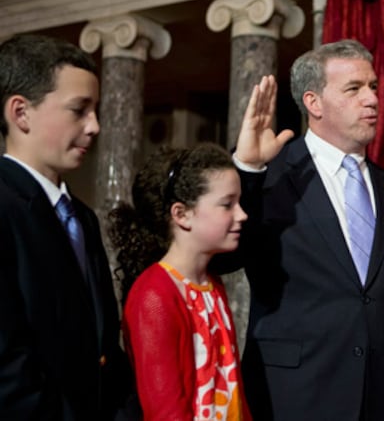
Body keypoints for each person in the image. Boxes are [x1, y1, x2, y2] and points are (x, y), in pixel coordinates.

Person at [217, 38, 384, 421]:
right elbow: (226, 257)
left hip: (381, 391)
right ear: (313, 103)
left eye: (373, 87)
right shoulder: (271, 177)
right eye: (353, 89)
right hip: (292, 392)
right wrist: (248, 171)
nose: (371, 99)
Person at [0, 34, 134, 419]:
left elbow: (103, 345)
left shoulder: (81, 216)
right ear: (21, 113)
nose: (95, 126)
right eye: (79, 110)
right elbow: (9, 367)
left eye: (96, 110)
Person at [109, 143, 252, 420]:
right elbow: (165, 410)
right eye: (227, 204)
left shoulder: (212, 283)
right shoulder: (155, 294)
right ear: (181, 214)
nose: (241, 214)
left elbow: (233, 390)